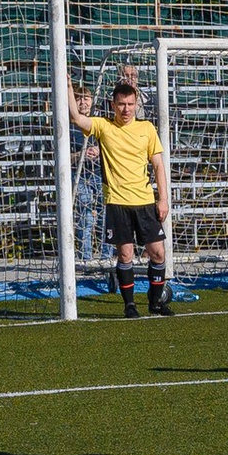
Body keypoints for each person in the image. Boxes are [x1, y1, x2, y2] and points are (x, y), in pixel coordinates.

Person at [75, 74, 171, 316]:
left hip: (145, 202)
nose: (126, 109)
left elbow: (158, 165)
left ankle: (155, 302)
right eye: (121, 104)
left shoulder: (146, 128)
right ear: (113, 105)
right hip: (117, 203)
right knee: (125, 254)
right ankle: (129, 305)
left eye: (130, 104)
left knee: (158, 253)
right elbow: (77, 118)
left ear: (136, 104)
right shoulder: (104, 126)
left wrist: (163, 199)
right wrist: (67, 86)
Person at [69, 82, 104, 270]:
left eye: (86, 98)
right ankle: (86, 258)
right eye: (78, 98)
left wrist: (99, 151)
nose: (83, 102)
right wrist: (81, 154)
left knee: (106, 215)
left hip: (100, 173)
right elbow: (63, 157)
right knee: (86, 215)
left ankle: (106, 257)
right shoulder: (69, 126)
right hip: (79, 175)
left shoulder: (99, 122)